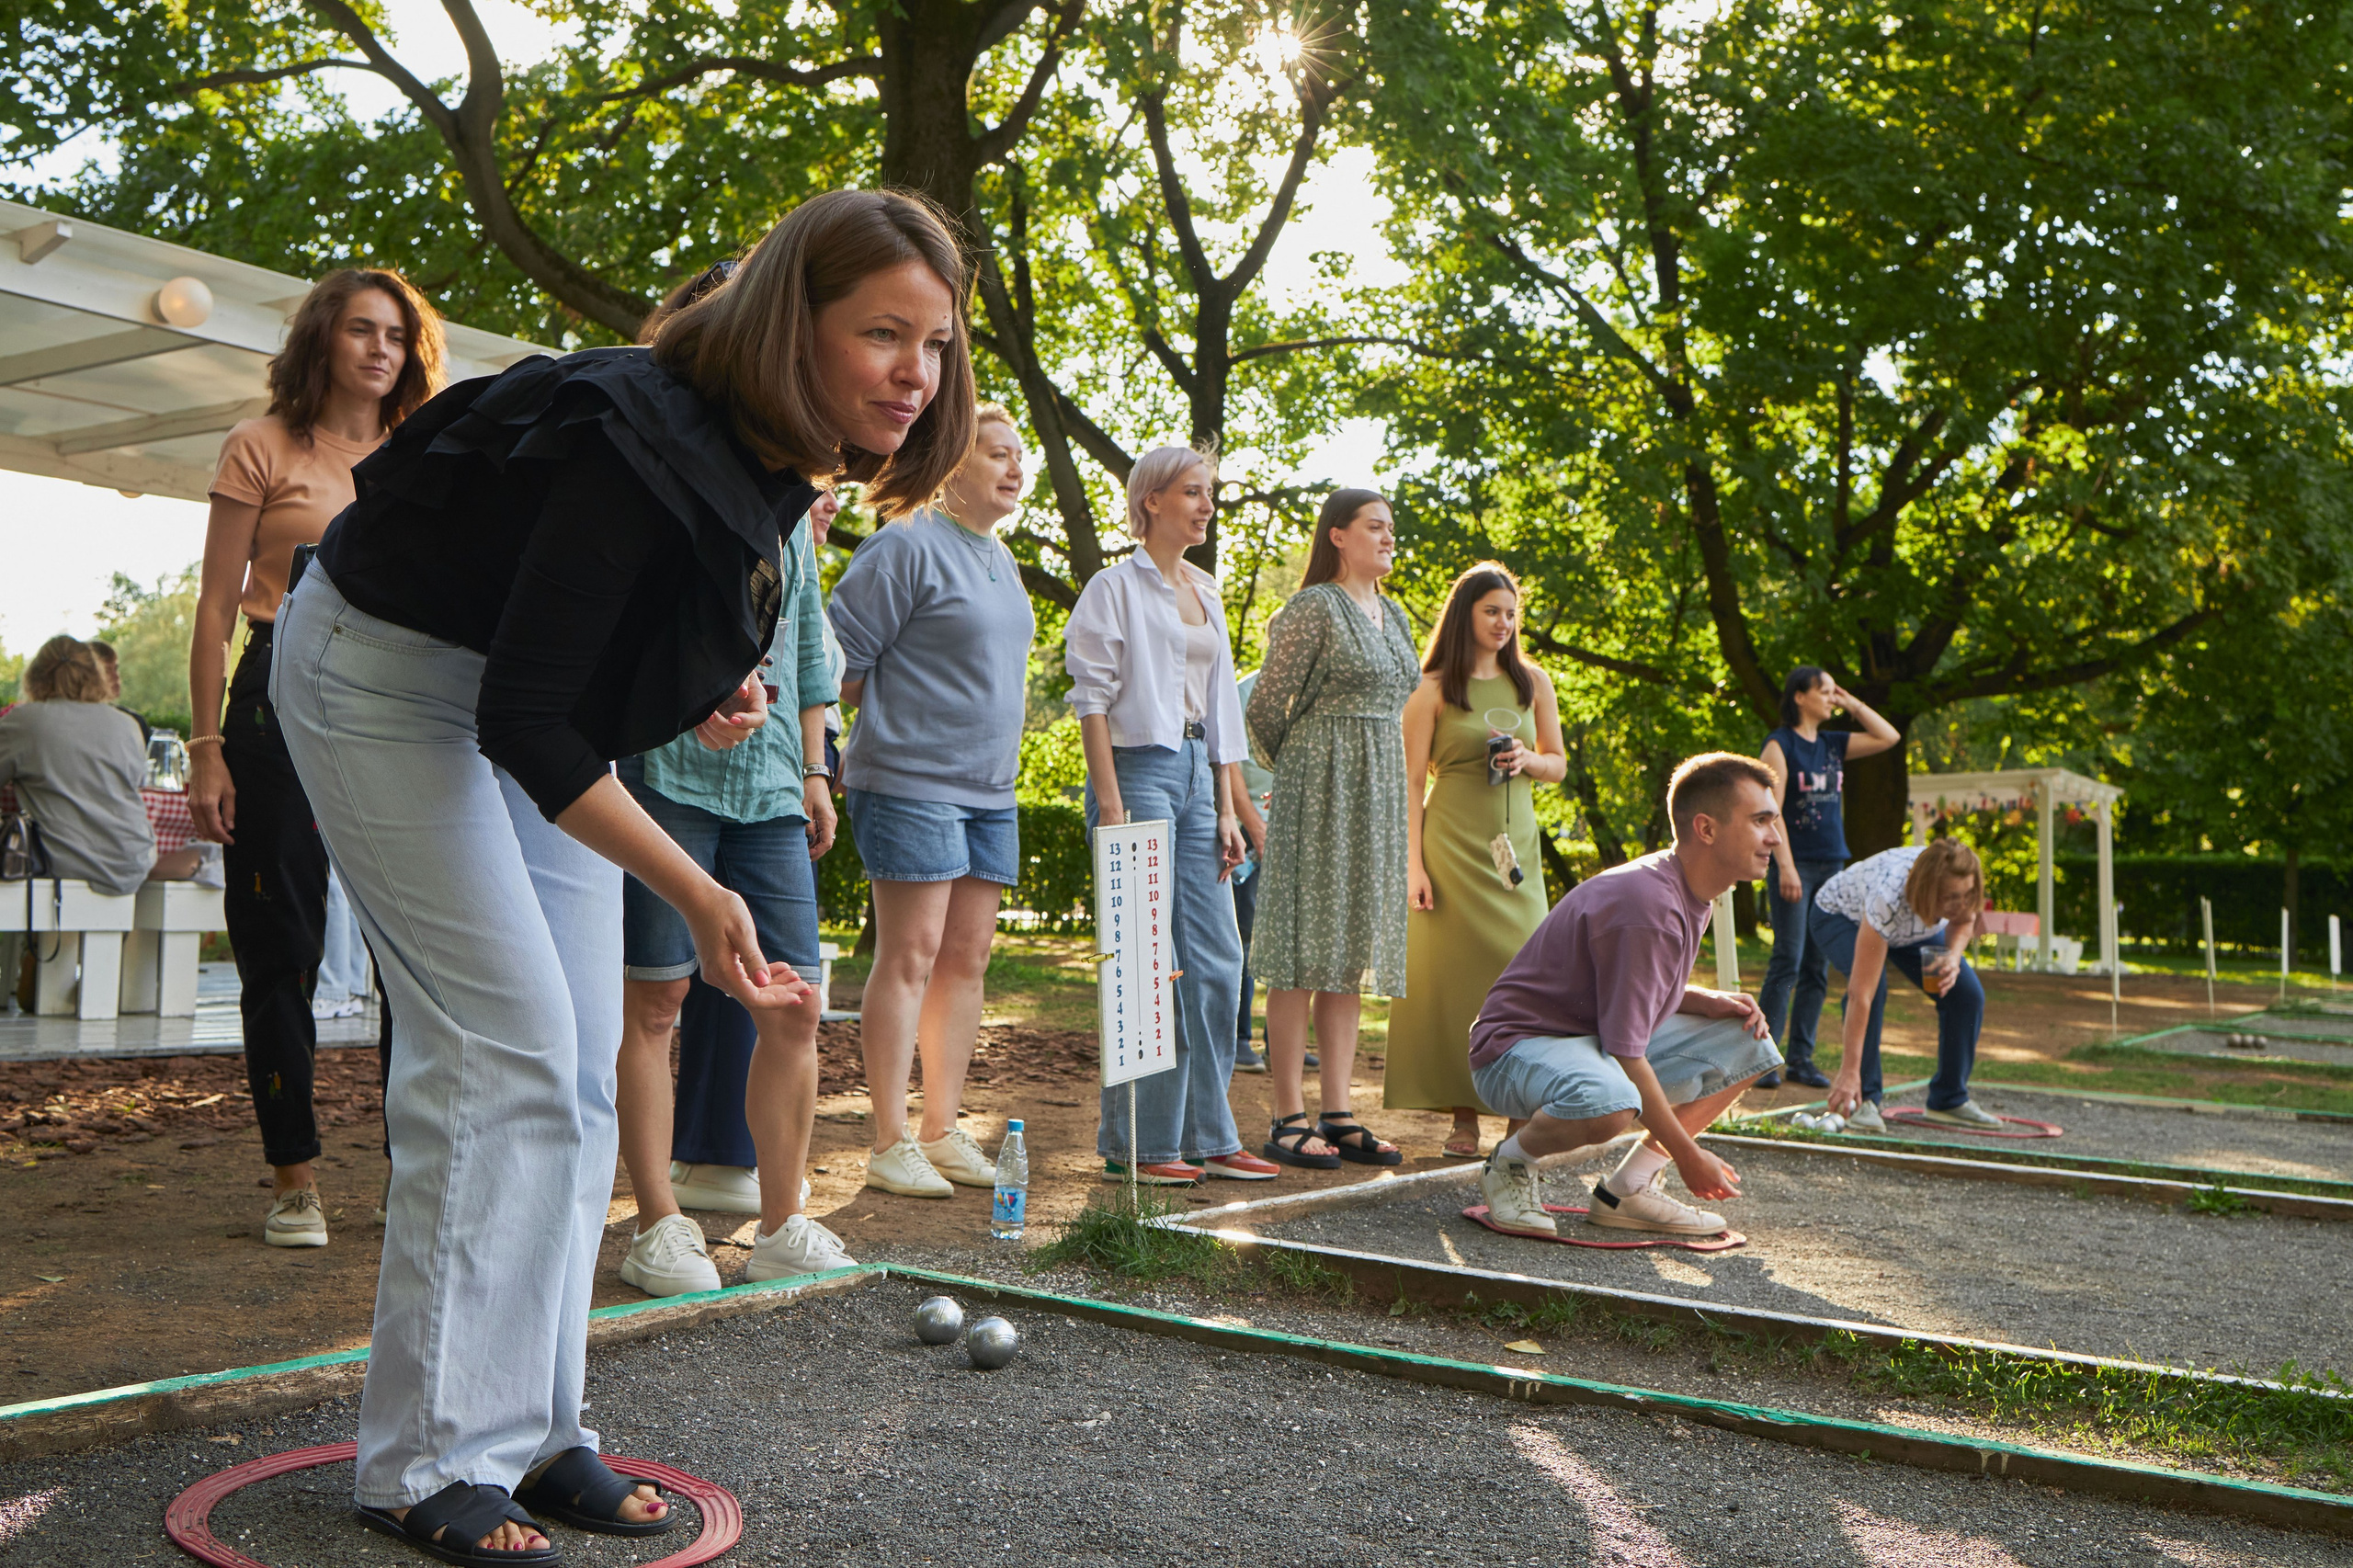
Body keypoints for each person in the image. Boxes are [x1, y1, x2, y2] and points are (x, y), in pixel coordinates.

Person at [271, 187, 976, 1562]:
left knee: (582, 1066)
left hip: (513, 700)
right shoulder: (637, 432)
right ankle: (423, 1462)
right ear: (794, 326)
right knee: (502, 1052)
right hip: (383, 680)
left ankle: (536, 1434)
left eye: (938, 344)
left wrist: (700, 685)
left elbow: (596, 634)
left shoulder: (778, 450)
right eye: (884, 333)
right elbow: (523, 717)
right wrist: (704, 896)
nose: (917, 373)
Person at [188, 267, 444, 1251]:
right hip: (275, 697)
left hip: (397, 701)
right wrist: (205, 749)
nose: (381, 349)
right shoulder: (262, 445)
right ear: (323, 342)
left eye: (396, 335)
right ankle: (295, 1175)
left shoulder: (422, 454)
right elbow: (215, 604)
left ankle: (409, 1167)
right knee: (280, 943)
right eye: (361, 330)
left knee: (409, 950)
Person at [612, 478, 850, 1295]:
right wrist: (691, 694)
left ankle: (782, 1225)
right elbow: (631, 620)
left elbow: (808, 645)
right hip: (664, 777)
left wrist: (816, 769)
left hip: (776, 786)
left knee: (796, 1003)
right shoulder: (669, 483)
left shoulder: (793, 506)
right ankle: (656, 1225)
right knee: (654, 1000)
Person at [829, 403, 1036, 1199]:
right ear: (950, 461)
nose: (1015, 467)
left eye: (1019, 455)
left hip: (992, 792)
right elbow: (838, 665)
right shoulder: (904, 543)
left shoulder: (1002, 557)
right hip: (910, 785)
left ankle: (941, 1132)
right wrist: (840, 752)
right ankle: (887, 1141)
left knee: (967, 960)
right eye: (996, 454)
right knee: (910, 956)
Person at [1065, 444, 1278, 1184]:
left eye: (1208, 492)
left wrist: (1227, 806)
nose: (1207, 504)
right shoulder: (1111, 588)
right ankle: (1140, 1146)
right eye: (1193, 491)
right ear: (1151, 499)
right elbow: (1092, 701)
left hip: (1199, 777)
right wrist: (1114, 803)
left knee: (1219, 959)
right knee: (1146, 967)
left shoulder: (1207, 590)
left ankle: (1211, 1132)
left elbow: (1222, 709)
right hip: (1137, 772)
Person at [1469, 754, 1785, 1237]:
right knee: (1610, 1100)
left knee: (1749, 1040)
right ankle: (1509, 1165)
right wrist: (1689, 1156)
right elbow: (1626, 1050)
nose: (1775, 838)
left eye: (1773, 821)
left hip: (1585, 1041)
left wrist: (1702, 999)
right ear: (1706, 828)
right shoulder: (1649, 905)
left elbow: (1625, 988)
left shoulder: (1688, 888)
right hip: (1512, 1051)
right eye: (1760, 821)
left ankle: (1628, 1189)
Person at [1246, 488, 1418, 1169]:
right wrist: (1308, 763)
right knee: (1298, 951)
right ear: (1338, 536)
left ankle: (1339, 1110)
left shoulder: (1397, 616)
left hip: (1376, 796)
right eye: (1375, 526)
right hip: (1318, 788)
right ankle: (1287, 1115)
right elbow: (1263, 707)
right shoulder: (1313, 607)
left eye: (1391, 528)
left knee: (1348, 952)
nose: (1388, 537)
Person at [1388, 562, 1563, 1159]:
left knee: (1523, 978)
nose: (1504, 623)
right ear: (1466, 614)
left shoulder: (1532, 682)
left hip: (1515, 854)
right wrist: (1412, 867)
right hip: (1449, 848)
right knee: (1458, 983)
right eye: (1493, 611)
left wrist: (1530, 761)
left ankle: (1518, 1115)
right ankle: (1462, 1117)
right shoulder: (1431, 686)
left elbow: (1558, 762)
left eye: (1512, 613)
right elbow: (1411, 782)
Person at [1755, 666, 1898, 1090]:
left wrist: (1852, 702)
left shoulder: (1834, 745)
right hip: (1798, 867)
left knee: (1817, 966)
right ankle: (1763, 1059)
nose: (1831, 698)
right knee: (1788, 960)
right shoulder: (1779, 745)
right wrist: (1786, 867)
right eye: (1825, 691)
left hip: (1833, 868)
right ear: (1799, 696)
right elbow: (1771, 812)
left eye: (1835, 692)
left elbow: (1889, 737)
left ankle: (1801, 1058)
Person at [1814, 838, 1993, 1131]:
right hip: (1841, 915)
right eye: (1950, 897)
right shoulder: (1888, 899)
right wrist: (1848, 1072)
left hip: (1911, 928)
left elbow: (1964, 920)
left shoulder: (1960, 884)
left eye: (1966, 895)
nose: (1960, 904)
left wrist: (1952, 957)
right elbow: (1861, 995)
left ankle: (1948, 1100)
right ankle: (1861, 1099)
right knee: (1875, 989)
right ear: (1928, 891)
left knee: (1966, 994)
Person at [0, 637, 202, 892]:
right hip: (134, 860)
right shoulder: (126, 724)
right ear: (96, 675)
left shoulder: (25, 721)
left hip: (65, 863)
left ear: (35, 676)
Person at [1227, 668, 1272, 1074]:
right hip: (1249, 827)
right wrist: (1253, 826)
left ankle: (1276, 1041)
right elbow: (1230, 763)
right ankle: (1239, 1039)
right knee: (1245, 936)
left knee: (1284, 938)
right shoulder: (1244, 692)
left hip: (1291, 829)